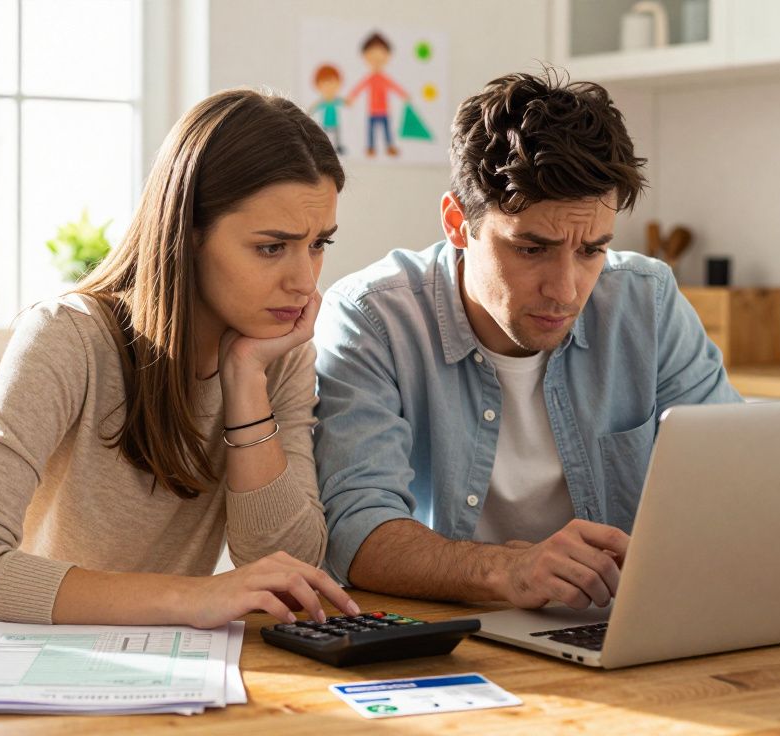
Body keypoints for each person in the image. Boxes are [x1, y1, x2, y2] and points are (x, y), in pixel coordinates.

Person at [0, 89, 359, 629]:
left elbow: (288, 566)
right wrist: (189, 598)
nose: (305, 282)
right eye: (271, 247)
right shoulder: (68, 337)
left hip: (164, 676)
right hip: (37, 665)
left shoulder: (275, 354)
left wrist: (245, 382)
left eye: (318, 245)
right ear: (188, 234)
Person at [314, 69, 742, 611]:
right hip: (453, 632)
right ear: (457, 223)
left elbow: (733, 483)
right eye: (532, 249)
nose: (565, 291)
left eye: (591, 250)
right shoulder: (372, 318)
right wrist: (509, 570)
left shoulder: (646, 301)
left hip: (616, 627)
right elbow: (356, 529)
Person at [346, 32, 407, 157]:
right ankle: (371, 147)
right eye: (372, 56)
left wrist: (403, 94)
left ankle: (389, 146)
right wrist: (352, 97)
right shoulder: (370, 78)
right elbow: (359, 87)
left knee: (387, 131)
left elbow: (394, 86)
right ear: (365, 57)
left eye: (381, 56)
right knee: (371, 132)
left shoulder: (384, 78)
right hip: (372, 110)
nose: (376, 60)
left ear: (387, 56)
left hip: (384, 110)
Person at [310, 64, 347, 155]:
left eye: (332, 82)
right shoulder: (323, 102)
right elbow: (316, 106)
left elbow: (343, 102)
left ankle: (337, 146)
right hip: (326, 122)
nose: (329, 86)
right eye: (325, 83)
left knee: (336, 135)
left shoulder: (335, 100)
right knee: (325, 134)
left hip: (334, 121)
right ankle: (325, 146)